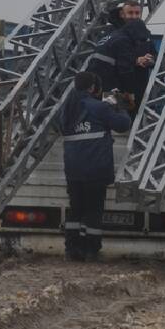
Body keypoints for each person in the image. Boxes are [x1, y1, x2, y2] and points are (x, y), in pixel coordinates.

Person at [61, 71, 131, 262]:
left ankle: (72, 250)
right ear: (92, 88)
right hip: (95, 168)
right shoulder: (99, 108)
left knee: (75, 209)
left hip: (73, 169)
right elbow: (123, 125)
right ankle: (91, 250)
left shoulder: (67, 109)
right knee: (93, 210)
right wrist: (118, 106)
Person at [86, 0, 155, 114]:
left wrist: (150, 60)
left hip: (133, 88)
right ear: (122, 14)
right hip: (114, 89)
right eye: (130, 13)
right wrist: (135, 61)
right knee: (119, 117)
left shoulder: (144, 35)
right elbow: (121, 64)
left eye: (137, 13)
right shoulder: (113, 34)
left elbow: (154, 55)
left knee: (129, 114)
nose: (134, 16)